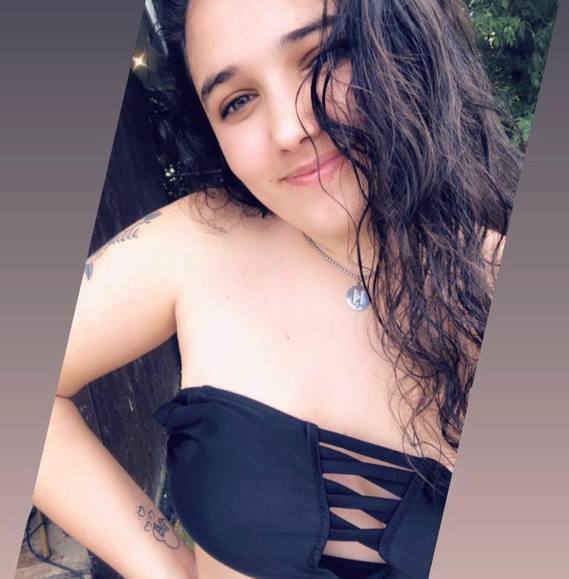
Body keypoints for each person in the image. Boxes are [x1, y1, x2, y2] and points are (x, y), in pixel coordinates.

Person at [32, 0, 523, 577]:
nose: (290, 129)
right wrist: (164, 566)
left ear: (403, 40)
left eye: (323, 56)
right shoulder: (197, 242)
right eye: (237, 101)